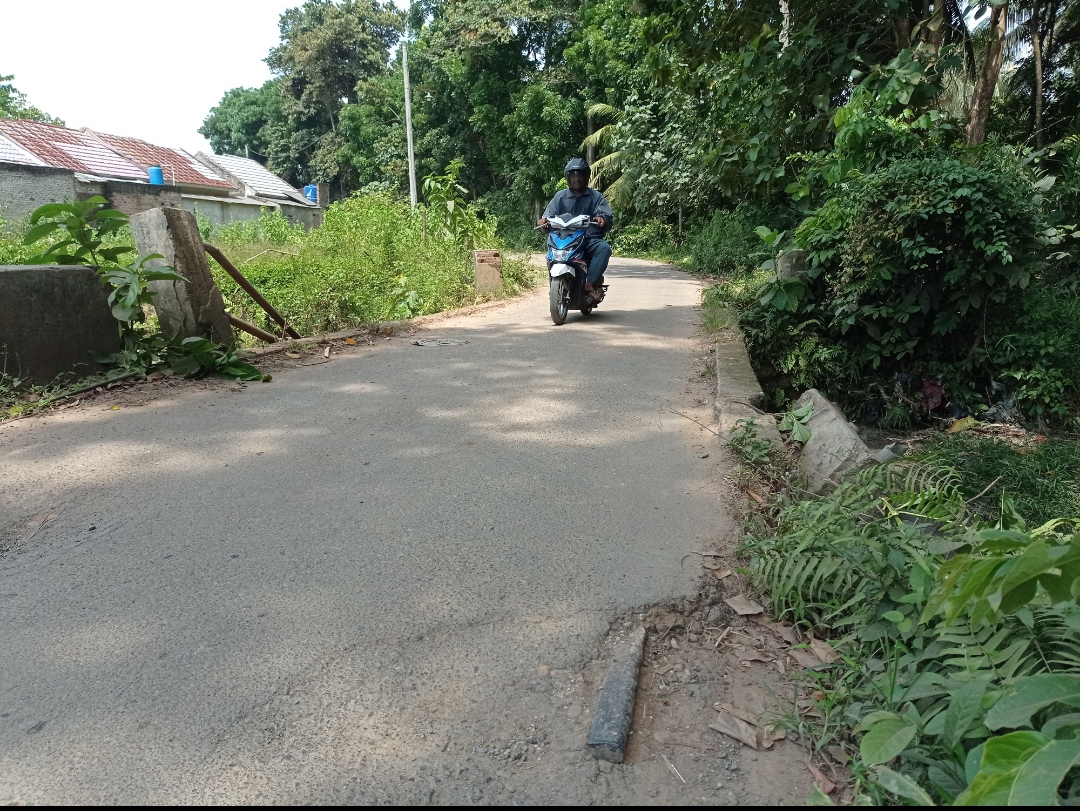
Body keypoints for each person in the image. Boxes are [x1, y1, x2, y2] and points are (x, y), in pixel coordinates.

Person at [538, 158, 613, 304]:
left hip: (589, 239)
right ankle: (555, 284)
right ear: (568, 178)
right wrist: (544, 221)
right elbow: (547, 216)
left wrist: (602, 218)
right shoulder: (560, 196)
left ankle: (589, 284)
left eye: (580, 175)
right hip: (564, 238)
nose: (576, 179)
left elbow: (606, 216)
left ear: (586, 177)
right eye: (572, 175)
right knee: (551, 252)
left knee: (604, 248)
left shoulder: (596, 197)